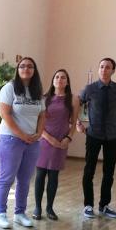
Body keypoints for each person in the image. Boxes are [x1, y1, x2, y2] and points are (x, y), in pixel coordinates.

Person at [0, 57, 46, 229]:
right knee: (6, 178)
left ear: (34, 70)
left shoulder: (37, 90)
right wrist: (22, 135)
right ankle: (0, 213)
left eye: (30, 66)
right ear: (17, 69)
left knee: (24, 180)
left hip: (32, 142)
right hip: (10, 139)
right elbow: (5, 115)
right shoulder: (9, 89)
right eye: (22, 66)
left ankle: (19, 213)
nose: (26, 69)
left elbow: (42, 115)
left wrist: (38, 133)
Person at [76, 57, 116, 219]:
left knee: (109, 172)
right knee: (89, 170)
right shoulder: (90, 89)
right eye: (101, 67)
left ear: (113, 70)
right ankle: (88, 205)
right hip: (93, 135)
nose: (104, 70)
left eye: (107, 67)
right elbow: (77, 104)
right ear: (98, 69)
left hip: (112, 136)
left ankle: (104, 205)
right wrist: (77, 123)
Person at [33, 69, 79, 221]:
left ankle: (50, 208)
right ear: (53, 81)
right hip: (44, 140)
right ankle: (38, 207)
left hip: (61, 142)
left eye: (63, 77)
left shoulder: (73, 99)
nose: (60, 79)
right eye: (57, 77)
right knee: (40, 175)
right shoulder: (44, 98)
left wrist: (68, 138)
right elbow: (38, 122)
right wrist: (48, 138)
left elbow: (73, 123)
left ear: (67, 82)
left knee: (53, 175)